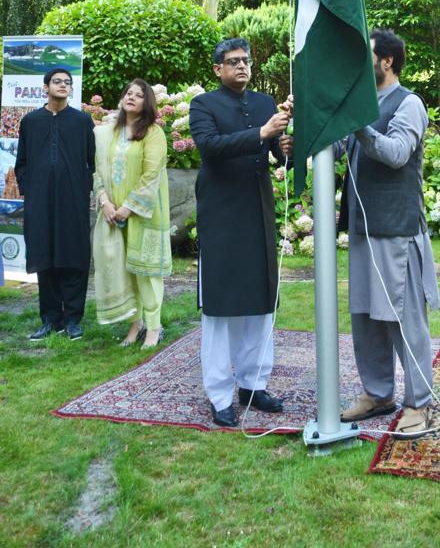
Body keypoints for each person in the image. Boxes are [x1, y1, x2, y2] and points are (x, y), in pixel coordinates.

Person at [338, 28, 440, 438]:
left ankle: (420, 403)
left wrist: (358, 123)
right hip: (363, 230)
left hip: (396, 231)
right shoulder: (362, 106)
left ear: (386, 62)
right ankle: (378, 394)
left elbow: (396, 154)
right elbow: (339, 148)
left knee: (402, 318)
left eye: (368, 56)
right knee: (365, 316)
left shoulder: (409, 104)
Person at [189, 38, 290, 428]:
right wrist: (263, 131)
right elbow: (210, 148)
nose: (242, 67)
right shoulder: (204, 105)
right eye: (233, 62)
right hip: (221, 212)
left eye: (246, 61)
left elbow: (279, 155)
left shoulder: (265, 103)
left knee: (259, 299)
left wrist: (286, 141)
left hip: (257, 209)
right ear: (218, 69)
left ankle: (253, 383)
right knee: (221, 305)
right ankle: (219, 394)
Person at [15, 67, 95, 341]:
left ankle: (73, 319)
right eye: (57, 81)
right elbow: (21, 163)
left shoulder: (82, 122)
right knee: (45, 257)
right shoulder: (31, 122)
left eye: (67, 82)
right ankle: (50, 318)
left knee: (73, 255)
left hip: (73, 201)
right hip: (40, 203)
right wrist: (31, 190)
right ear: (45, 87)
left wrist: (82, 189)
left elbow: (91, 161)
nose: (63, 85)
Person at [93, 79, 171, 349]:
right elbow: (97, 170)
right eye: (129, 93)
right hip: (113, 214)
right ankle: (135, 324)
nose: (132, 97)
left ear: (146, 102)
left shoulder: (153, 133)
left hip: (144, 216)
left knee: (147, 274)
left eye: (139, 95)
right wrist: (105, 202)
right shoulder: (108, 133)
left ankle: (154, 326)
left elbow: (151, 175)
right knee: (124, 271)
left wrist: (128, 207)